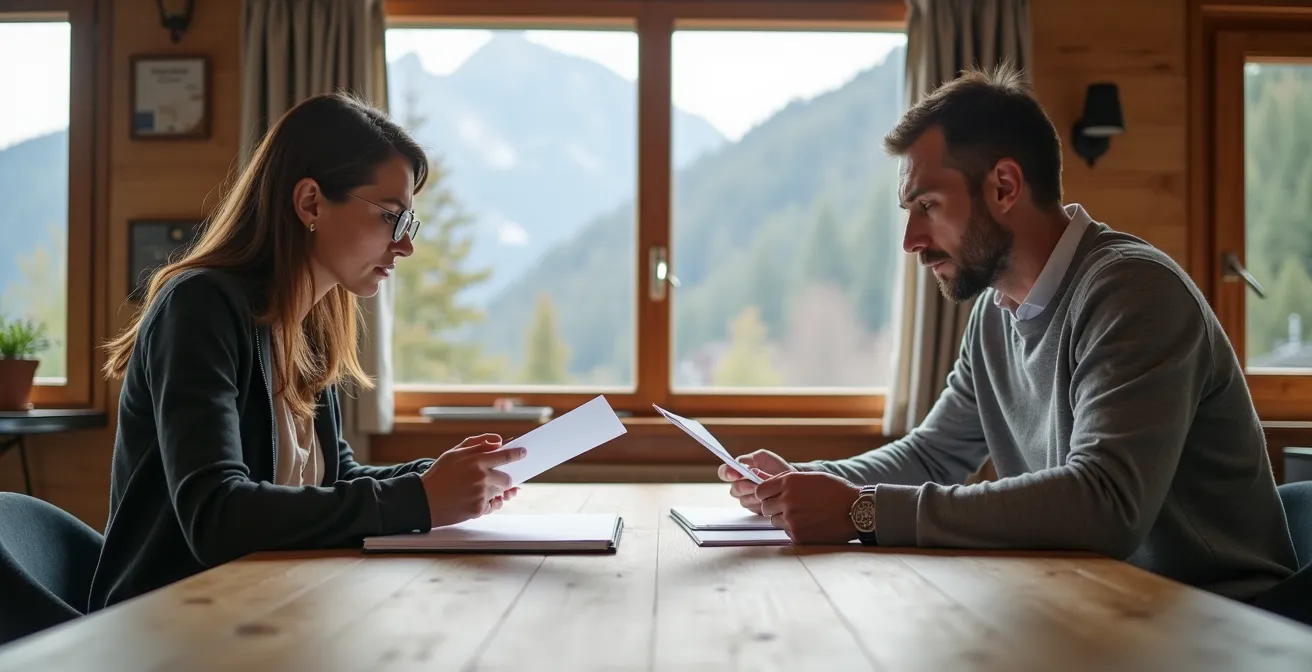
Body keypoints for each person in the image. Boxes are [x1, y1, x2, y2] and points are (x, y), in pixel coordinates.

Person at [719, 66, 1297, 601]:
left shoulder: (1133, 293)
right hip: (1099, 606)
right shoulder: (995, 316)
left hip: (1221, 621)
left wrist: (863, 511)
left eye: (928, 204)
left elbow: (1106, 505)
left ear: (1003, 186)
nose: (911, 240)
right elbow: (934, 454)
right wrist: (806, 482)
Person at [90, 93, 525, 610]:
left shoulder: (310, 326)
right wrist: (421, 498)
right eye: (392, 217)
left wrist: (443, 477)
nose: (405, 246)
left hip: (266, 607)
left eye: (409, 224)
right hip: (170, 626)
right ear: (311, 202)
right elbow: (216, 515)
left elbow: (334, 480)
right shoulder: (199, 306)